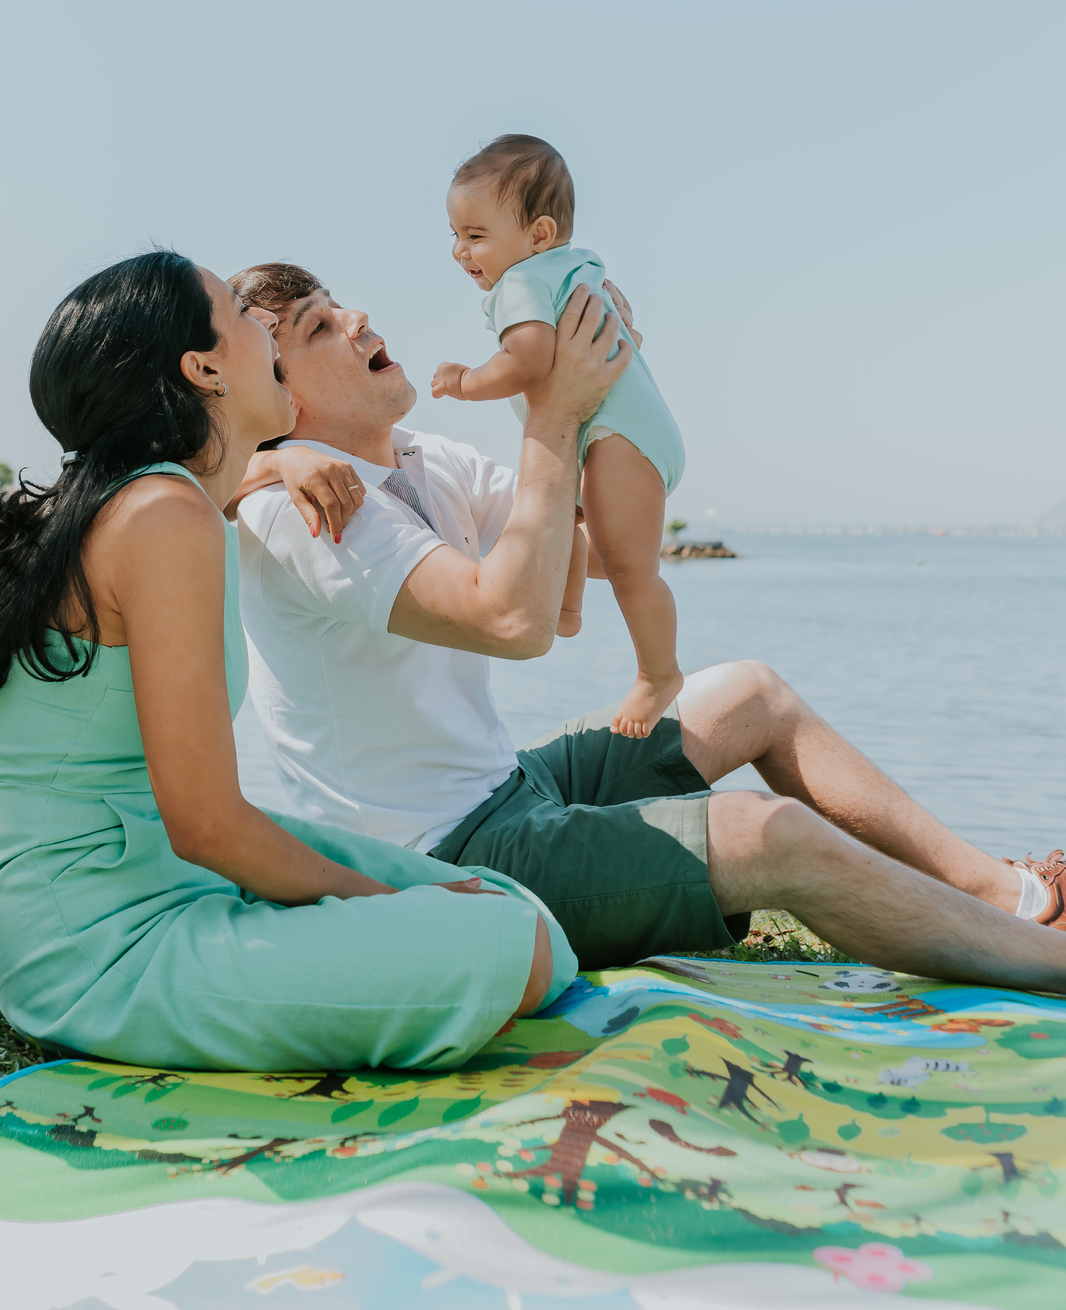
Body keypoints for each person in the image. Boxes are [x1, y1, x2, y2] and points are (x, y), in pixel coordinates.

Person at [230, 258, 1066, 981]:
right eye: (319, 327)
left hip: (508, 789)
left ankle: (1015, 897)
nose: (357, 319)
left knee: (750, 694)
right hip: (439, 865)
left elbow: (604, 550)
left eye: (339, 305)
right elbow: (512, 623)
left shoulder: (425, 457)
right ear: (280, 396)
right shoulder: (304, 511)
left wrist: (606, 397)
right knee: (769, 834)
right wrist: (553, 414)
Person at [0, 250, 579, 1074]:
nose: (266, 336)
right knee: (510, 946)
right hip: (93, 942)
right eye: (244, 318)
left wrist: (279, 458)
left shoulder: (159, 498)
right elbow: (206, 824)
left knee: (513, 911)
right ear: (204, 369)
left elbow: (218, 487)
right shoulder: (163, 516)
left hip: (158, 867)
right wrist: (384, 906)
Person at [432, 134, 685, 736]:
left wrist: (465, 381)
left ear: (539, 234)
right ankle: (566, 609)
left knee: (631, 569)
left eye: (475, 235)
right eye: (454, 235)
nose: (460, 251)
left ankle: (658, 673)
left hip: (619, 436)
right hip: (619, 430)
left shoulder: (519, 284)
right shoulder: (571, 267)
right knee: (562, 516)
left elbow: (528, 361)